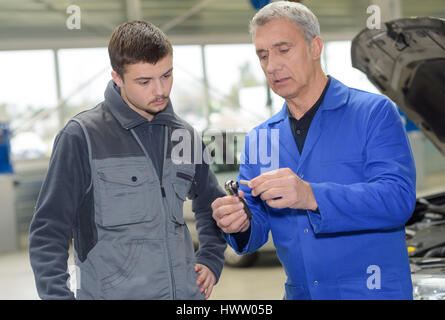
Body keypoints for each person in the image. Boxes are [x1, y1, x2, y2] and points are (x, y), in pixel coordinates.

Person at [212, 1, 416, 300]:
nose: (272, 65)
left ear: (315, 47)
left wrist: (311, 196)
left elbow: (397, 199)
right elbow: (255, 227)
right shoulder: (260, 139)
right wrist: (238, 222)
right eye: (263, 55)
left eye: (283, 50)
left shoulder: (373, 113)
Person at [29, 21, 226, 300]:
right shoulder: (81, 137)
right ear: (117, 77)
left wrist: (210, 259)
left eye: (167, 75)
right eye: (144, 81)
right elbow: (48, 232)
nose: (160, 90)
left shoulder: (184, 136)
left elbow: (211, 204)